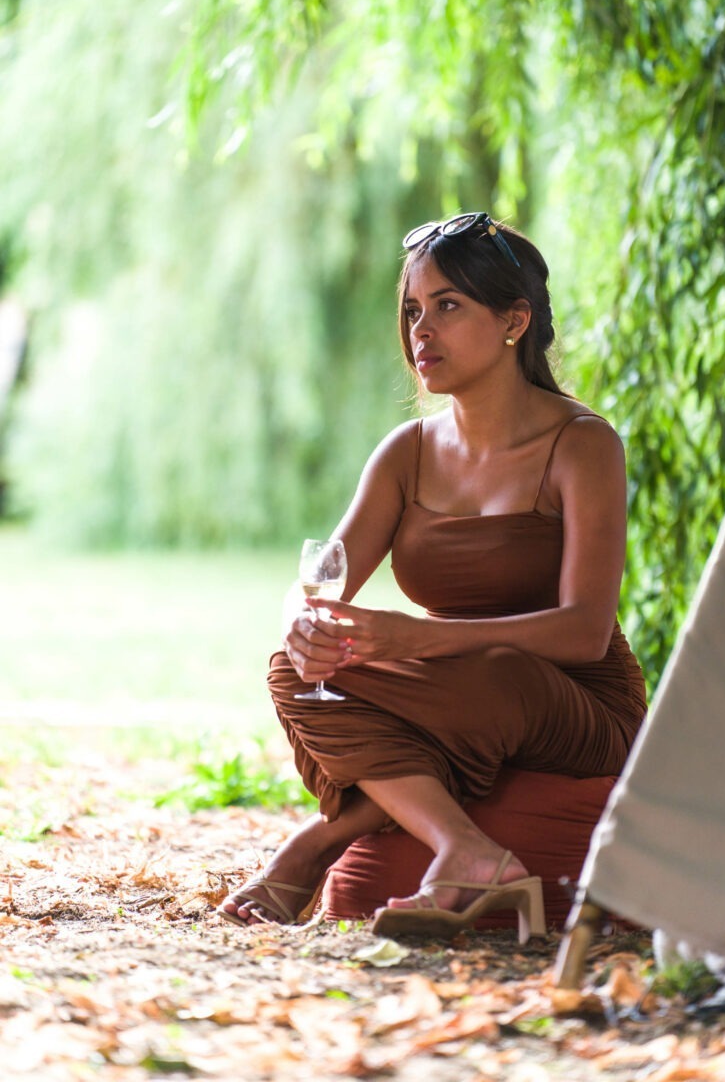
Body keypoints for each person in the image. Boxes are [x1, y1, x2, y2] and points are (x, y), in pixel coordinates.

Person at [217, 211, 647, 938]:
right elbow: (328, 572)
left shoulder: (583, 445)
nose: (421, 330)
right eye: (413, 309)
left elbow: (584, 631)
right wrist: (303, 619)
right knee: (296, 671)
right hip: (459, 686)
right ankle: (468, 849)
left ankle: (317, 842)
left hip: (571, 698)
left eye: (448, 306)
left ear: (515, 320)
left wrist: (411, 640)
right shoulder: (406, 453)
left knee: (494, 670)